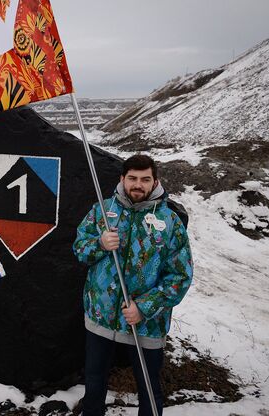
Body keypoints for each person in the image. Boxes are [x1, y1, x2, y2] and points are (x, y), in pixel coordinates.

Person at [73, 154, 193, 416]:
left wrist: (145, 307)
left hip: (147, 325)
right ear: (122, 179)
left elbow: (180, 277)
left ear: (155, 182)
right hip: (101, 318)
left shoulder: (170, 223)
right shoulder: (102, 211)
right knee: (93, 385)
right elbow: (80, 250)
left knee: (149, 390)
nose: (138, 185)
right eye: (133, 179)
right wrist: (100, 244)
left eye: (145, 179)